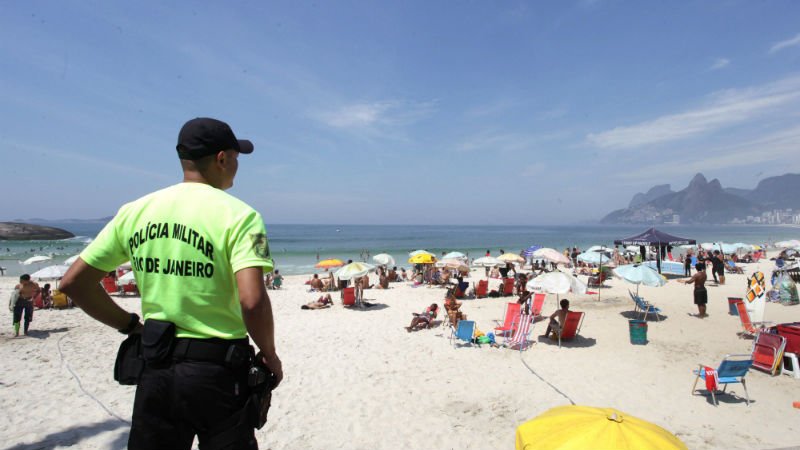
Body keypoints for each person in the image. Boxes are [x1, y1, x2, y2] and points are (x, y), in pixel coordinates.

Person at [60, 117, 282, 449]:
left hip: (156, 369)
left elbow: (74, 283)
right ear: (222, 158)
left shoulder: (135, 211)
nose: (237, 166)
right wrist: (269, 354)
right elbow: (252, 301)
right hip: (217, 372)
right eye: (237, 157)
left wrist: (129, 325)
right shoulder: (241, 217)